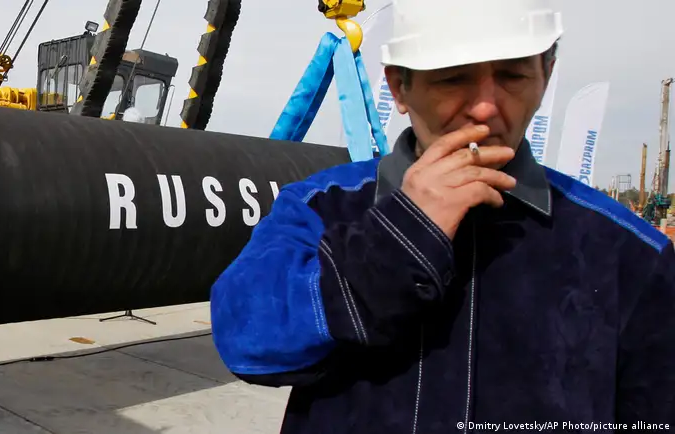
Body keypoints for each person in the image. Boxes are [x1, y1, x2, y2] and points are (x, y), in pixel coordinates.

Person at [209, 1, 675, 433]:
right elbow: (245, 340)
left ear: (546, 74)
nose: (486, 106)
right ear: (399, 87)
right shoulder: (322, 206)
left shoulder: (630, 255)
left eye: (512, 75)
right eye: (453, 78)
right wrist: (398, 239)